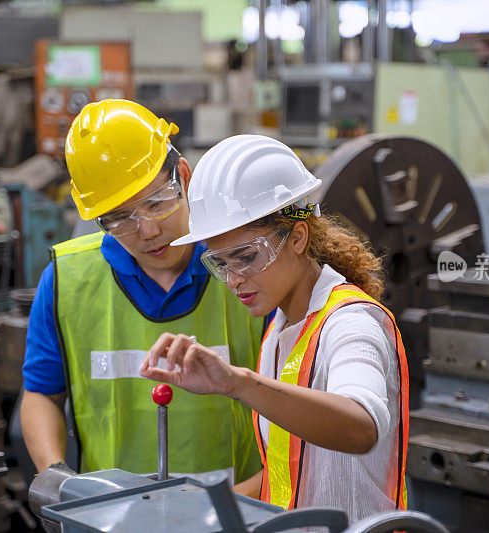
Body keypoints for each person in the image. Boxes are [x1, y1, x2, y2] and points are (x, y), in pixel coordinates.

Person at [140, 134, 409, 522]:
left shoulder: (350, 323)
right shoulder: (282, 328)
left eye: (246, 257)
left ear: (297, 237)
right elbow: (292, 470)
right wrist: (196, 510)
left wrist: (239, 383)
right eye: (221, 263)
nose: (233, 280)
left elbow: (361, 426)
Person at [20, 100, 265, 483]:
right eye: (119, 218)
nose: (147, 231)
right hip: (111, 519)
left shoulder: (246, 264)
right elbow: (41, 394)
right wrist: (55, 477)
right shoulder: (66, 282)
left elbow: (295, 411)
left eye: (156, 203)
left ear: (183, 177)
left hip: (241, 515)